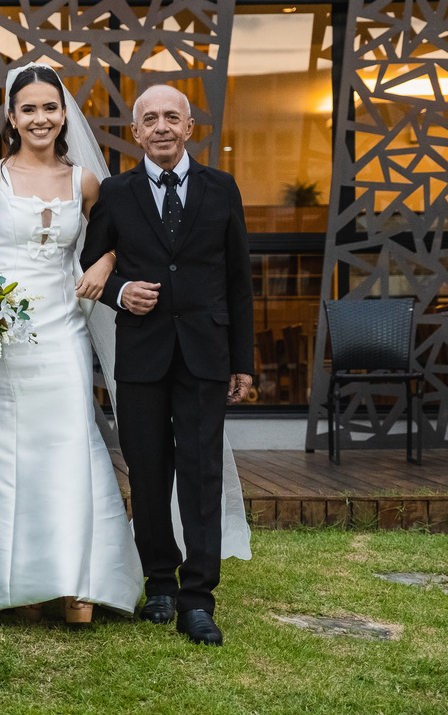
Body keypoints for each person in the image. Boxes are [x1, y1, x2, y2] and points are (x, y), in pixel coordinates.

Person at [0, 63, 144, 623]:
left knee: (69, 444)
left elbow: (117, 240)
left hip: (62, 329)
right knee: (3, 451)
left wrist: (102, 265)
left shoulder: (84, 182)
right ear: (11, 117)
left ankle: (77, 581)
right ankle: (10, 578)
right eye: (28, 109)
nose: (40, 118)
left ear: (63, 113)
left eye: (49, 107)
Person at [78, 84, 255, 646]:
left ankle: (198, 599)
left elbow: (239, 281)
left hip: (206, 354)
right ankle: (159, 583)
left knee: (202, 476)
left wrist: (242, 362)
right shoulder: (116, 193)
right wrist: (123, 290)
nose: (160, 127)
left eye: (170, 118)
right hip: (142, 356)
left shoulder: (221, 189)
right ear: (135, 133)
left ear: (188, 129)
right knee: (148, 471)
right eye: (148, 118)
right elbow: (92, 264)